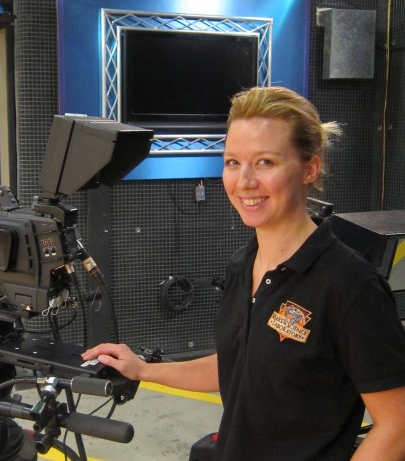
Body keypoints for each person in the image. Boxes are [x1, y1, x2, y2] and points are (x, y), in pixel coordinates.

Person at [82, 86, 405, 460]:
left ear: (309, 169)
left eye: (265, 162)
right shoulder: (242, 265)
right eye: (233, 162)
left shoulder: (350, 286)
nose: (245, 181)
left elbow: (396, 426)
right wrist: (144, 369)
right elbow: (238, 365)